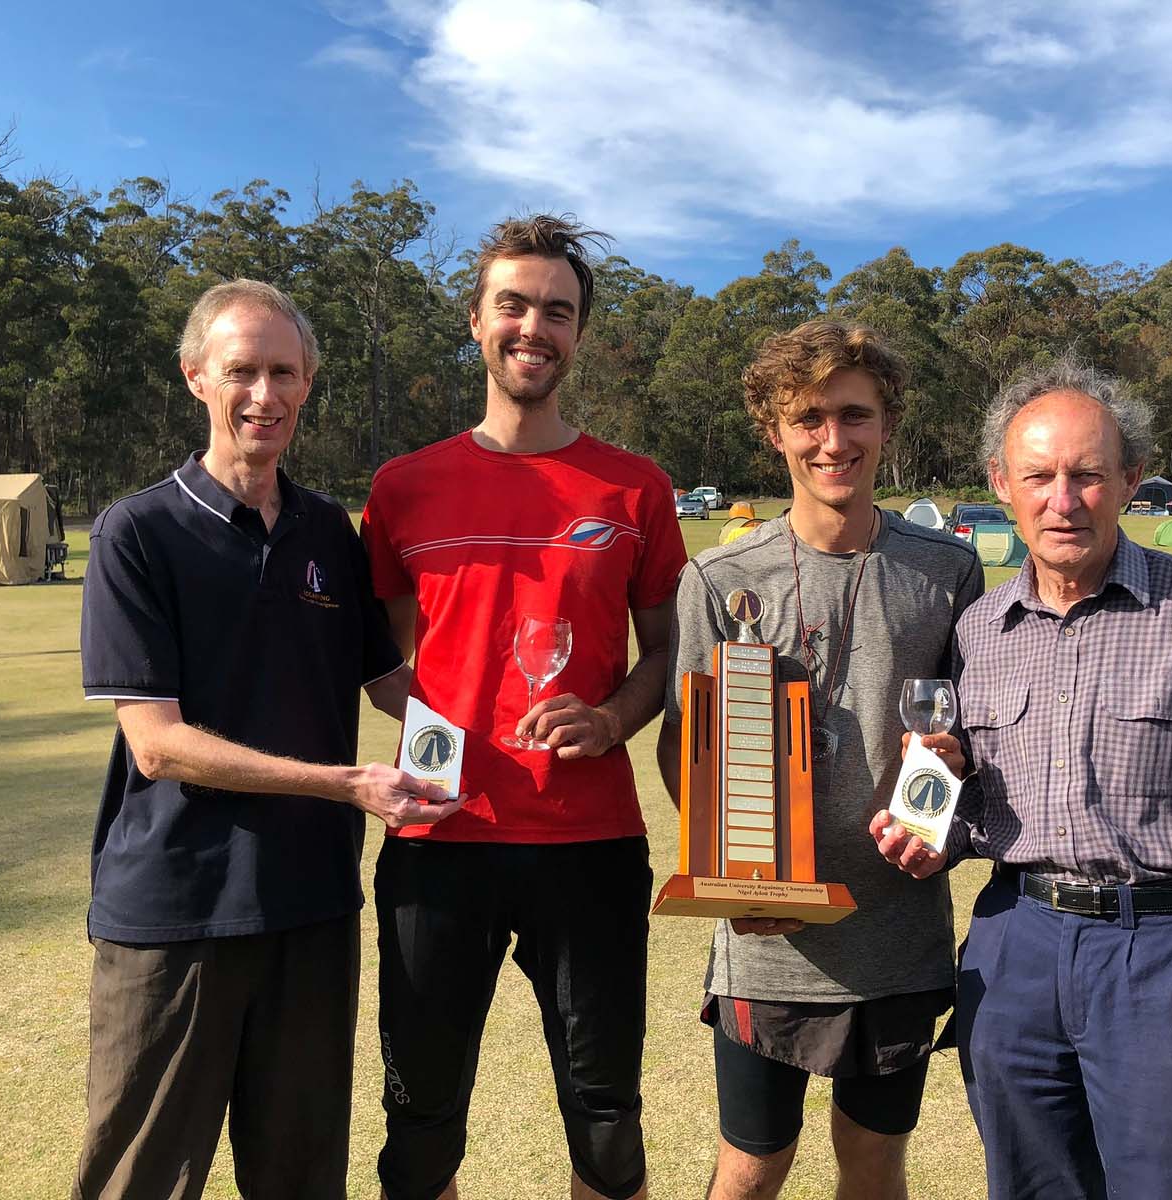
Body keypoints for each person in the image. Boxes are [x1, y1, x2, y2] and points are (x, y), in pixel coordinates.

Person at [874, 358, 1172, 1200]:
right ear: (1001, 485)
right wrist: (934, 833)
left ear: (1130, 480)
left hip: (1166, 956)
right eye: (1039, 477)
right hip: (1015, 950)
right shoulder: (981, 630)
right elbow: (985, 810)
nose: (1064, 500)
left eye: (1088, 475)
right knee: (1032, 1185)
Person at [73, 280, 460, 1200]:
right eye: (241, 370)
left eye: (284, 373)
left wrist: (491, 732)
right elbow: (159, 746)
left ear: (309, 383)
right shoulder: (137, 532)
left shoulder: (328, 529)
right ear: (195, 377)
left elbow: (388, 681)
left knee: (302, 1179)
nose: (264, 394)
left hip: (311, 907)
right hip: (177, 914)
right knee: (141, 1180)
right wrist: (346, 786)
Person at [361, 214, 686, 1200]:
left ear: (578, 332)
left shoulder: (636, 489)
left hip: (589, 847)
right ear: (476, 320)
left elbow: (666, 652)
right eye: (513, 305)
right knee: (420, 1125)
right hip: (437, 842)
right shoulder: (403, 487)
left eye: (557, 311)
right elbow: (380, 663)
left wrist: (610, 719)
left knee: (607, 1124)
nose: (533, 328)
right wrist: (437, 734)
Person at [657, 319, 984, 1200]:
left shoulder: (947, 571)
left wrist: (947, 799)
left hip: (897, 929)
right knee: (751, 1166)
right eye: (808, 418)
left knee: (873, 1162)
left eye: (854, 415)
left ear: (888, 424)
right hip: (769, 938)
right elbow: (686, 749)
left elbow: (972, 744)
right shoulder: (719, 580)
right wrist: (736, 882)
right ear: (775, 431)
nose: (832, 441)